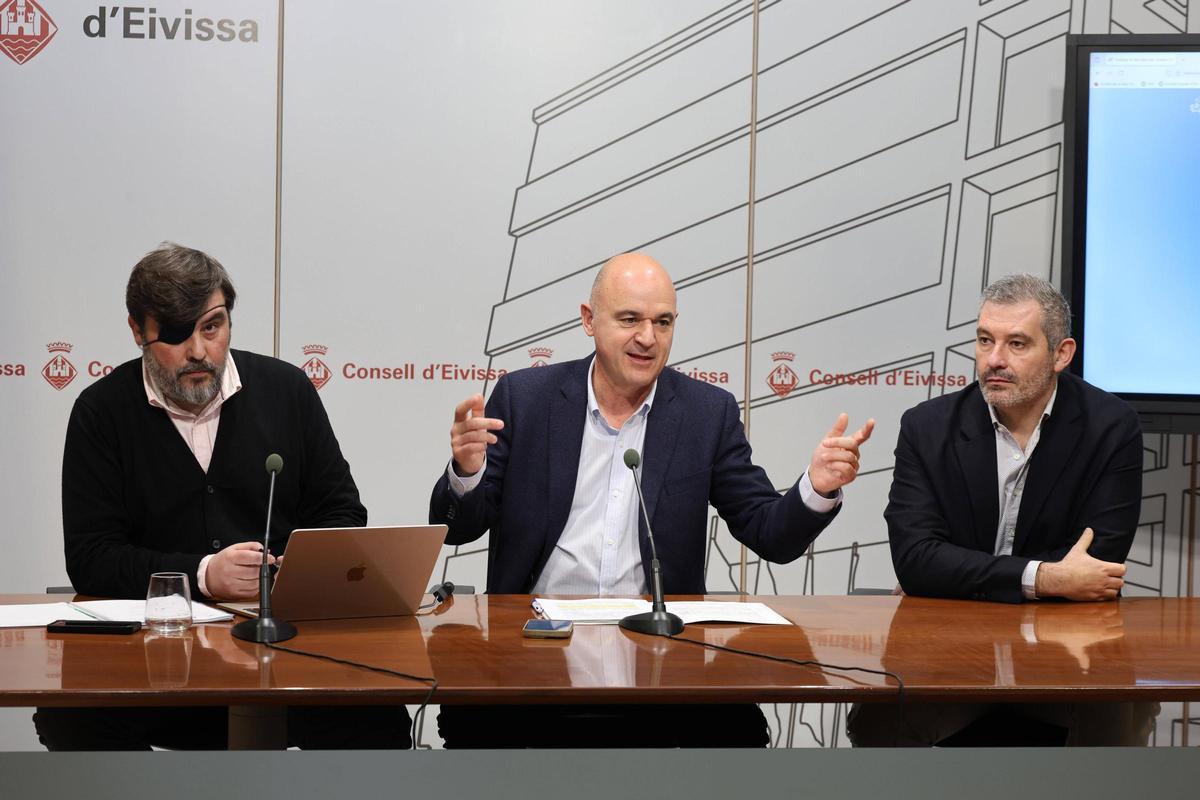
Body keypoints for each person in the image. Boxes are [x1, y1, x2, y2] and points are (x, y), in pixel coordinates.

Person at [430, 251, 873, 747]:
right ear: (589, 320)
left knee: (739, 728)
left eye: (663, 322)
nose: (648, 337)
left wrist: (816, 487)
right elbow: (459, 528)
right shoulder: (524, 398)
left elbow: (767, 531)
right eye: (630, 319)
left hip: (659, 656)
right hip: (533, 651)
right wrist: (468, 473)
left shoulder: (707, 413)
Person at [34, 243, 410, 750]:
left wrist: (288, 572)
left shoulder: (287, 391)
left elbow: (341, 513)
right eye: (174, 332)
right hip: (156, 657)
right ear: (136, 331)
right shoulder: (101, 412)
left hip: (283, 647)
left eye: (212, 327)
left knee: (374, 713)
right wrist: (203, 573)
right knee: (71, 718)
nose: (198, 350)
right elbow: (92, 557)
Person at [847, 273, 1156, 746]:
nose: (994, 360)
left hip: (1064, 648)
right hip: (951, 644)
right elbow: (916, 560)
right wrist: (1044, 578)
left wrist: (965, 572)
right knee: (879, 713)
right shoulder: (927, 428)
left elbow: (1096, 565)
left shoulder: (1110, 428)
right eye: (985, 340)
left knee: (1115, 711)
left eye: (1016, 344)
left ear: (1061, 354)